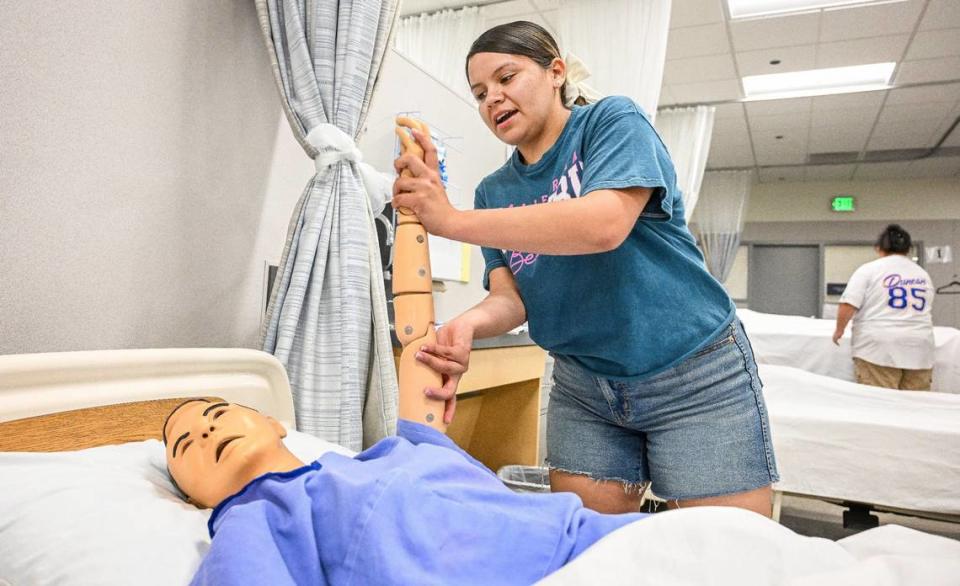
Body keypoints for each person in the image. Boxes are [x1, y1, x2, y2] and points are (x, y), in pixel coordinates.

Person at [391, 21, 778, 516]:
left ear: (556, 72)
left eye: (507, 78)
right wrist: (464, 327)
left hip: (693, 374)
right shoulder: (495, 192)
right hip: (586, 388)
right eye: (481, 92)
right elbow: (512, 299)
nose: (493, 99)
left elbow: (604, 224)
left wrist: (450, 220)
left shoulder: (610, 124)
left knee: (724, 554)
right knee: (592, 552)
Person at [163, 398, 646, 585]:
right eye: (185, 446)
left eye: (216, 415)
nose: (205, 434)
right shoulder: (252, 521)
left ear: (273, 422)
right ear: (193, 498)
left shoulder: (390, 453)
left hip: (594, 539)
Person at [833, 224, 935, 391]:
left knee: (881, 406)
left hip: (878, 348)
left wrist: (839, 330)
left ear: (878, 248)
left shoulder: (869, 270)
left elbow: (848, 303)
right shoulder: (922, 274)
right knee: (916, 407)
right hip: (919, 347)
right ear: (908, 249)